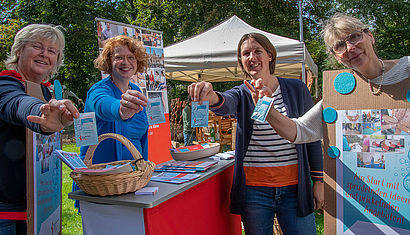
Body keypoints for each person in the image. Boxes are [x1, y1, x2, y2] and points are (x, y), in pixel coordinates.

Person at [188, 33, 323, 235]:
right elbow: (225, 103)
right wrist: (211, 96)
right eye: (245, 53)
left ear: (270, 55)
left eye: (257, 51)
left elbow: (311, 137)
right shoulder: (241, 92)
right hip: (255, 191)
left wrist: (318, 181)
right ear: (241, 62)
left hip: (294, 189)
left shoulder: (296, 89)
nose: (252, 57)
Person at [253, 13, 410, 144]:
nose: (350, 48)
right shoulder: (341, 90)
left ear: (370, 36)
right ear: (336, 57)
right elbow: (300, 130)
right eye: (340, 46)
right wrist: (266, 108)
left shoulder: (407, 68)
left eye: (355, 37)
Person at [0, 24, 79, 235]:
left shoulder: (46, 90)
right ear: (19, 50)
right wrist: (42, 116)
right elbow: (17, 104)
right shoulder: (5, 84)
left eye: (52, 51)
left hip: (40, 205)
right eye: (37, 46)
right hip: (6, 211)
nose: (44, 54)